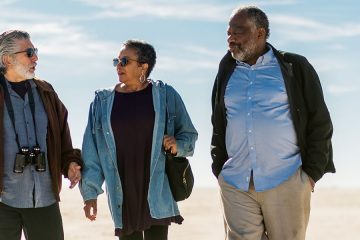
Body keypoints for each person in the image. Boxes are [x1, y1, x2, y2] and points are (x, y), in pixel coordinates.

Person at [210, 6, 334, 240]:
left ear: (260, 33)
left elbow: (320, 121)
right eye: (228, 32)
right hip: (237, 181)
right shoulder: (226, 69)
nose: (231, 38)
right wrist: (219, 168)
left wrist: (310, 175)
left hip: (286, 178)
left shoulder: (294, 67)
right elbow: (218, 122)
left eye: (238, 31)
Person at [80, 39, 198, 240]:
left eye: (124, 61)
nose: (118, 66)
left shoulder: (166, 95)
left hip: (157, 186)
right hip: (122, 190)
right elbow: (91, 151)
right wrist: (90, 193)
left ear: (143, 66)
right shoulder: (102, 101)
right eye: (116, 61)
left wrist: (178, 145)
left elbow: (189, 134)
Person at [0, 30, 83, 240]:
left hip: (45, 200)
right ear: (7, 59)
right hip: (3, 202)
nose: (36, 58)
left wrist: (70, 163)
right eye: (29, 53)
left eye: (35, 51)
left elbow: (63, 136)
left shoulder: (47, 92)